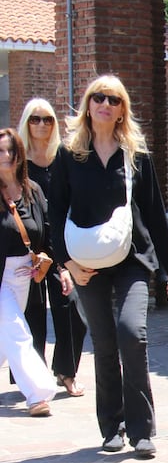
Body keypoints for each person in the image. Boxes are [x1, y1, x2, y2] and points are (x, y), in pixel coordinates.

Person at [48, 75, 168, 458]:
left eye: (114, 99)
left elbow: (155, 212)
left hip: (132, 258)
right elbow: (55, 211)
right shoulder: (69, 155)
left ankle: (142, 430)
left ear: (123, 109)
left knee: (131, 333)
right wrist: (67, 262)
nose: (106, 104)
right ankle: (112, 426)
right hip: (87, 263)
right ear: (88, 105)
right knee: (104, 343)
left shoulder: (136, 155)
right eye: (99, 98)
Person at [17, 98, 87, 397]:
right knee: (31, 313)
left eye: (47, 119)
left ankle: (65, 371)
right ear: (27, 123)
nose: (42, 124)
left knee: (71, 309)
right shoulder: (18, 159)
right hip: (27, 247)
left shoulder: (63, 157)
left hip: (59, 245)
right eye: (35, 119)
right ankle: (34, 378)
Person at [0, 128, 58, 416]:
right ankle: (38, 394)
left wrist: (45, 258)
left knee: (5, 336)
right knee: (18, 332)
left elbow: (46, 233)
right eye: (1, 151)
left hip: (26, 275)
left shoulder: (33, 191)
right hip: (1, 277)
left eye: (11, 150)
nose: (6, 156)